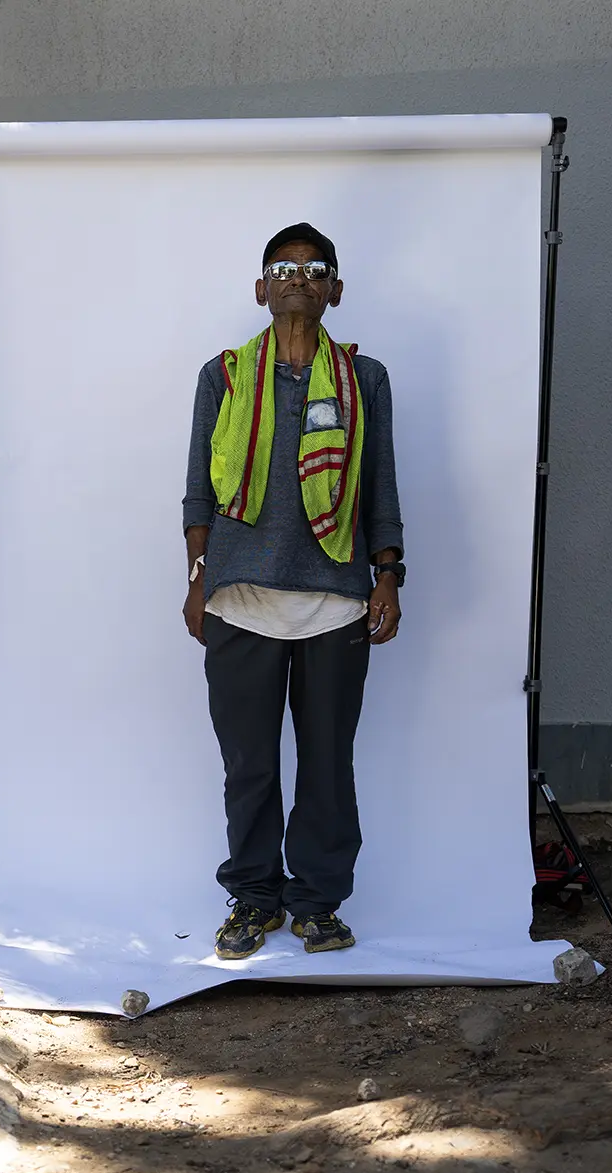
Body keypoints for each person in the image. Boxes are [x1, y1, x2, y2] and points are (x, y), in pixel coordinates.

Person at [180, 223, 405, 961]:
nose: (298, 279)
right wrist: (196, 580)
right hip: (239, 601)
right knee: (247, 764)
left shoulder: (363, 379)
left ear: (335, 290)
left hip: (334, 601)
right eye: (283, 267)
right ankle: (253, 898)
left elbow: (379, 487)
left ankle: (316, 902)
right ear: (260, 288)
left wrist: (388, 576)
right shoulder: (222, 377)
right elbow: (196, 495)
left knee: (326, 763)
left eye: (315, 270)